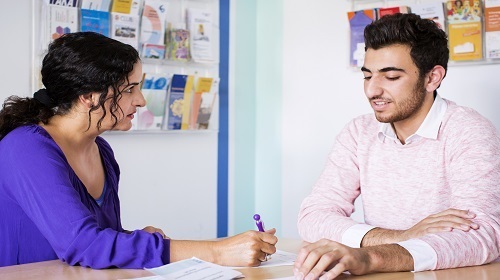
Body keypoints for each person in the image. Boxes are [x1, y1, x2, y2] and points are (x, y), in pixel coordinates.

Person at [0, 32, 277, 269]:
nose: (141, 100)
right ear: (88, 97)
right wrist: (219, 252)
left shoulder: (102, 151)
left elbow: (98, 240)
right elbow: (84, 245)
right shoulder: (26, 147)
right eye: (130, 89)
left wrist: (132, 237)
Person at [295, 13, 499, 280]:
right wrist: (401, 237)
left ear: (432, 78)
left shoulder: (467, 130)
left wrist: (371, 256)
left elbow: (483, 233)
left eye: (390, 77)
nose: (372, 91)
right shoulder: (359, 132)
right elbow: (314, 215)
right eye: (368, 76)